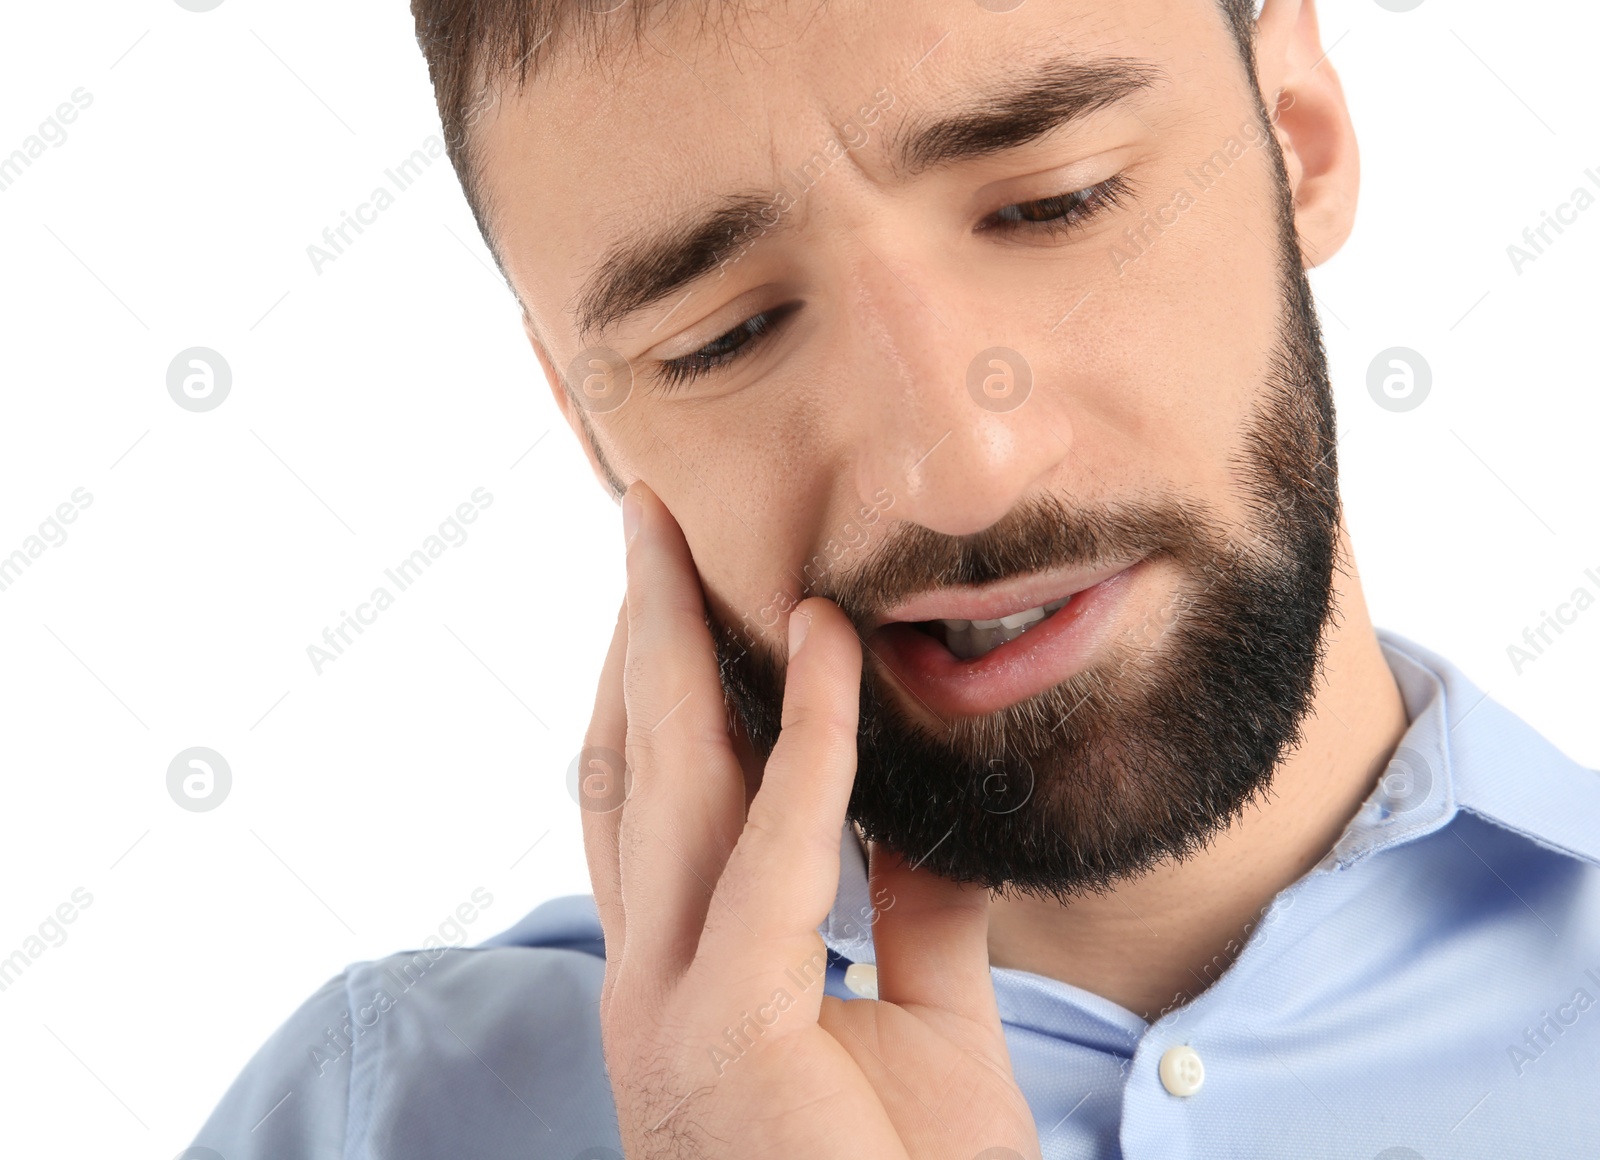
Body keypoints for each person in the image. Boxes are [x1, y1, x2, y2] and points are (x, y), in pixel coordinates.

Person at [188, 0, 1600, 1156]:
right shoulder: (375, 1123)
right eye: (723, 337)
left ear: (1299, 138)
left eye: (1054, 205)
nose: (962, 465)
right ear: (587, 418)